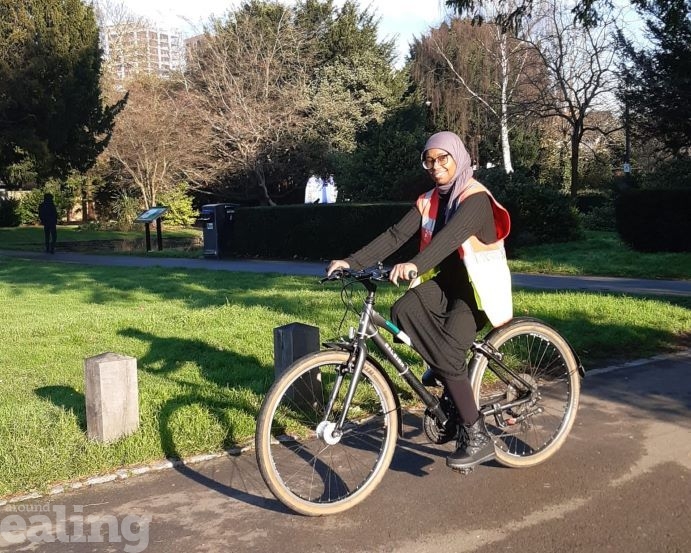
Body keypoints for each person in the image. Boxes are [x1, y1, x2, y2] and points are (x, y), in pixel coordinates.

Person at [327, 131, 512, 470]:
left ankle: (478, 435)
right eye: (429, 160)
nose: (435, 166)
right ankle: (447, 380)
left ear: (459, 157)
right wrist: (352, 262)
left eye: (443, 158)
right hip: (449, 283)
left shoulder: (475, 198)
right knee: (405, 308)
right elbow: (396, 235)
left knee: (448, 359)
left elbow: (449, 238)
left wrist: (415, 264)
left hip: (479, 290)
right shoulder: (429, 199)